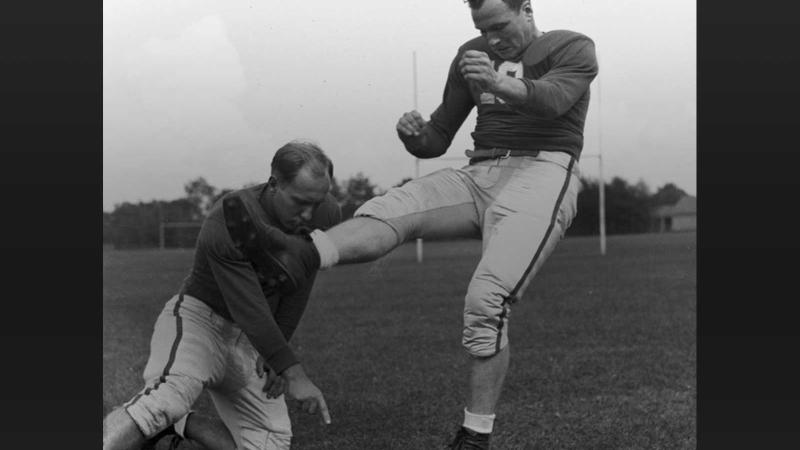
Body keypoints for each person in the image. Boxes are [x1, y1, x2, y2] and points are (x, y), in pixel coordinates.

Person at [225, 1, 598, 448]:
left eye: (500, 25)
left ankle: (475, 436)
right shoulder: (471, 52)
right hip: (479, 171)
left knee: (486, 301)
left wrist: (497, 80)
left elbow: (554, 101)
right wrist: (414, 135)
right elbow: (438, 138)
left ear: (527, 9)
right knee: (394, 206)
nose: (493, 38)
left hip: (542, 172)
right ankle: (294, 255)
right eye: (483, 28)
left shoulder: (571, 46)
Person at [103, 141, 341, 450]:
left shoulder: (324, 212)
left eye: (317, 201)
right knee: (166, 399)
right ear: (273, 184)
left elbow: (299, 282)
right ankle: (163, 420)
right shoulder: (229, 219)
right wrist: (291, 371)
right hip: (199, 321)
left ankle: (180, 427)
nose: (310, 213)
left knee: (271, 444)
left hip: (250, 339)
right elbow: (249, 306)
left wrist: (276, 353)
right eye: (300, 202)